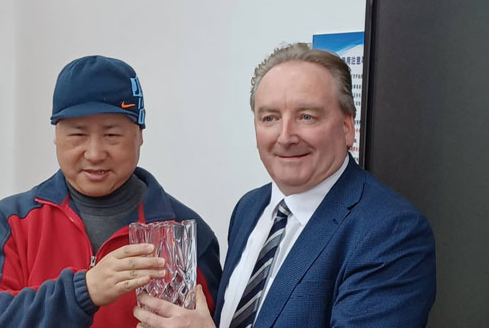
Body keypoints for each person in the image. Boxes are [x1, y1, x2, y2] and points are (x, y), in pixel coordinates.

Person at [133, 43, 436, 327]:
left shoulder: (390, 231)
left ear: (347, 128)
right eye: (270, 118)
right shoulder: (249, 208)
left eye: (306, 116)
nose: (285, 136)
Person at [0, 55, 222, 328]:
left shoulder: (187, 232)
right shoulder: (11, 221)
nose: (94, 154)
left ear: (139, 135)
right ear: (56, 137)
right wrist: (84, 290)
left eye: (111, 135)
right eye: (78, 135)